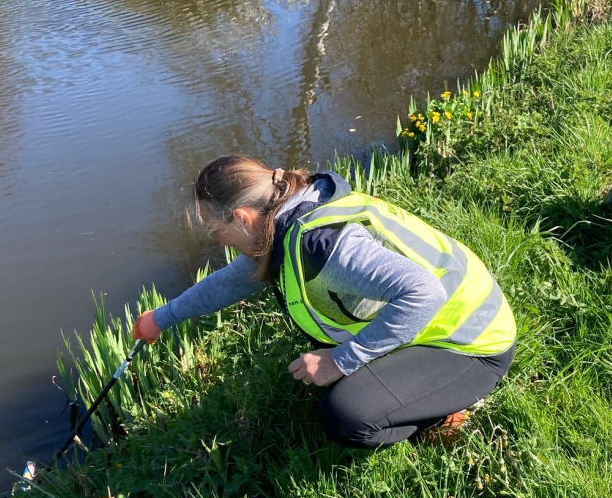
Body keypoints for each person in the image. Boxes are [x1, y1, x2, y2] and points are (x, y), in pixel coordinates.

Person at [132, 156, 516, 448]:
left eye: (216, 229)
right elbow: (233, 282)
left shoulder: (323, 247)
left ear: (244, 218)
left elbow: (423, 294)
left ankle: (440, 414)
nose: (217, 240)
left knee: (346, 416)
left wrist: (340, 360)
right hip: (436, 323)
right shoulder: (287, 215)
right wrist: (162, 318)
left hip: (472, 343)